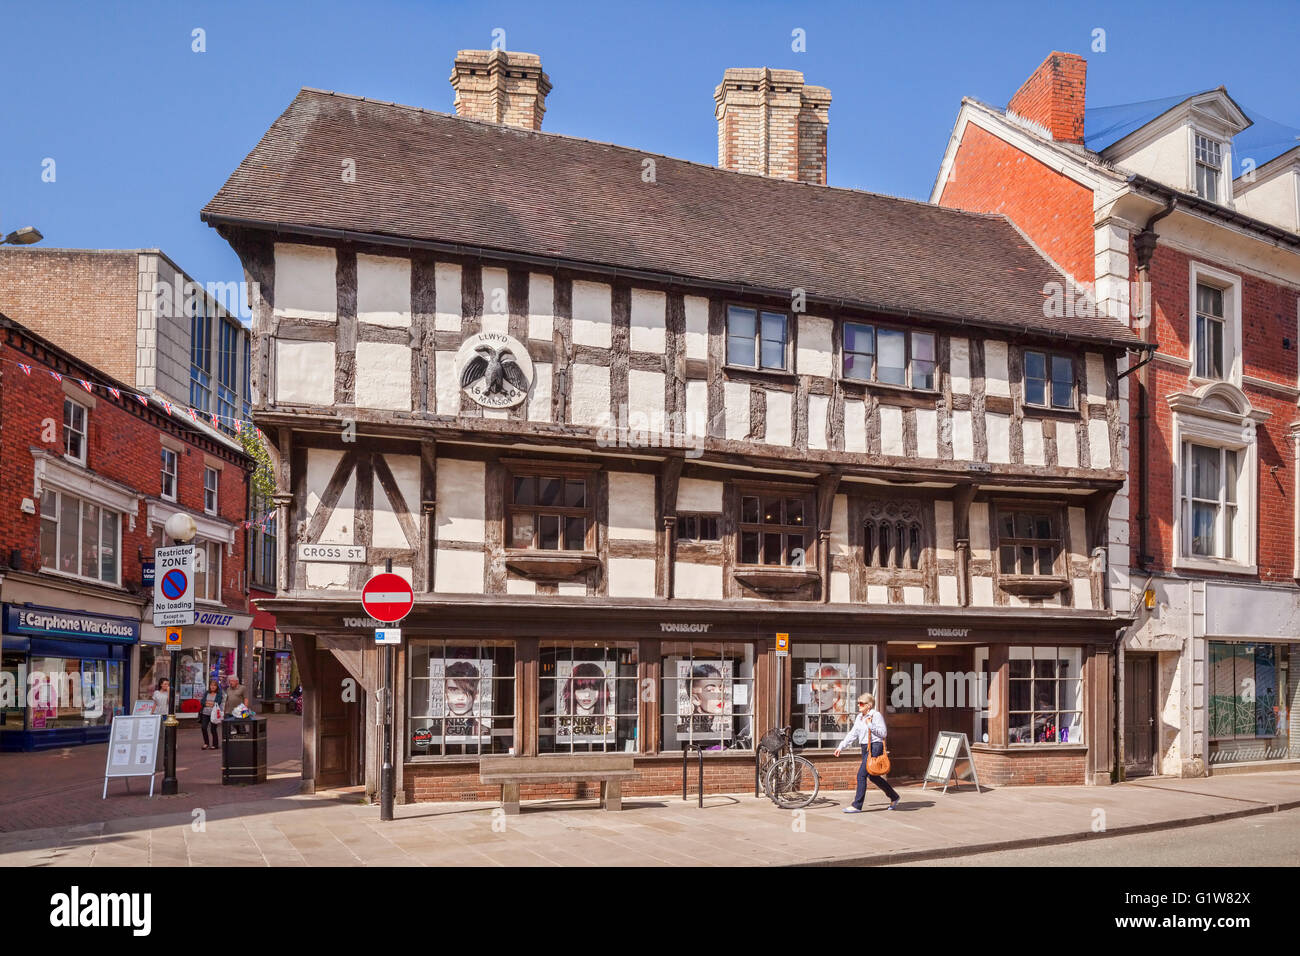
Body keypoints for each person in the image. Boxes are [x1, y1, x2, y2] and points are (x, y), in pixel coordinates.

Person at [834, 692, 900, 812]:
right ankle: (894, 796)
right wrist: (841, 747)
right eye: (858, 703)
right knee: (873, 776)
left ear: (868, 705)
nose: (858, 705)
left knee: (861, 775)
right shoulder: (860, 717)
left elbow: (883, 733)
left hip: (875, 746)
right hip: (865, 747)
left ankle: (856, 805)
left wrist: (870, 725)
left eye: (861, 703)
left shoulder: (876, 715)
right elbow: (853, 734)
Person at [199, 679, 222, 750]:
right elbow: (202, 702)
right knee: (203, 727)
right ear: (209, 686)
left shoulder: (218, 694)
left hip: (213, 714)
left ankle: (215, 745)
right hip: (205, 713)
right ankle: (206, 743)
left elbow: (217, 703)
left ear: (217, 687)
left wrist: (208, 703)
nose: (213, 687)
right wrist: (210, 703)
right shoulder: (206, 693)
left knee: (213, 729)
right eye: (211, 685)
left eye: (214, 685)